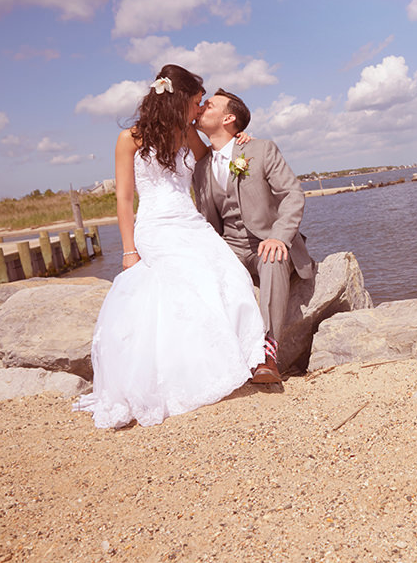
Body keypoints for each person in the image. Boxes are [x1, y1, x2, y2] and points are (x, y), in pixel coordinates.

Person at [74, 65, 266, 429]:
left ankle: (249, 358)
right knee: (187, 281)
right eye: (196, 102)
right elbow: (125, 199)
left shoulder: (189, 135)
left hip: (191, 223)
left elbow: (216, 155)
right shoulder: (129, 138)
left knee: (230, 274)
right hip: (156, 227)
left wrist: (240, 137)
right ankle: (189, 373)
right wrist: (129, 251)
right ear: (178, 100)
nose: (199, 109)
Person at [193, 89, 314, 382]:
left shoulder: (261, 150)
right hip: (230, 246)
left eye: (208, 105)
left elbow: (292, 195)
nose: (200, 108)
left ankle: (267, 354)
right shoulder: (201, 167)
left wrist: (280, 236)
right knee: (204, 276)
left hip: (266, 241)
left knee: (272, 259)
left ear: (229, 117)